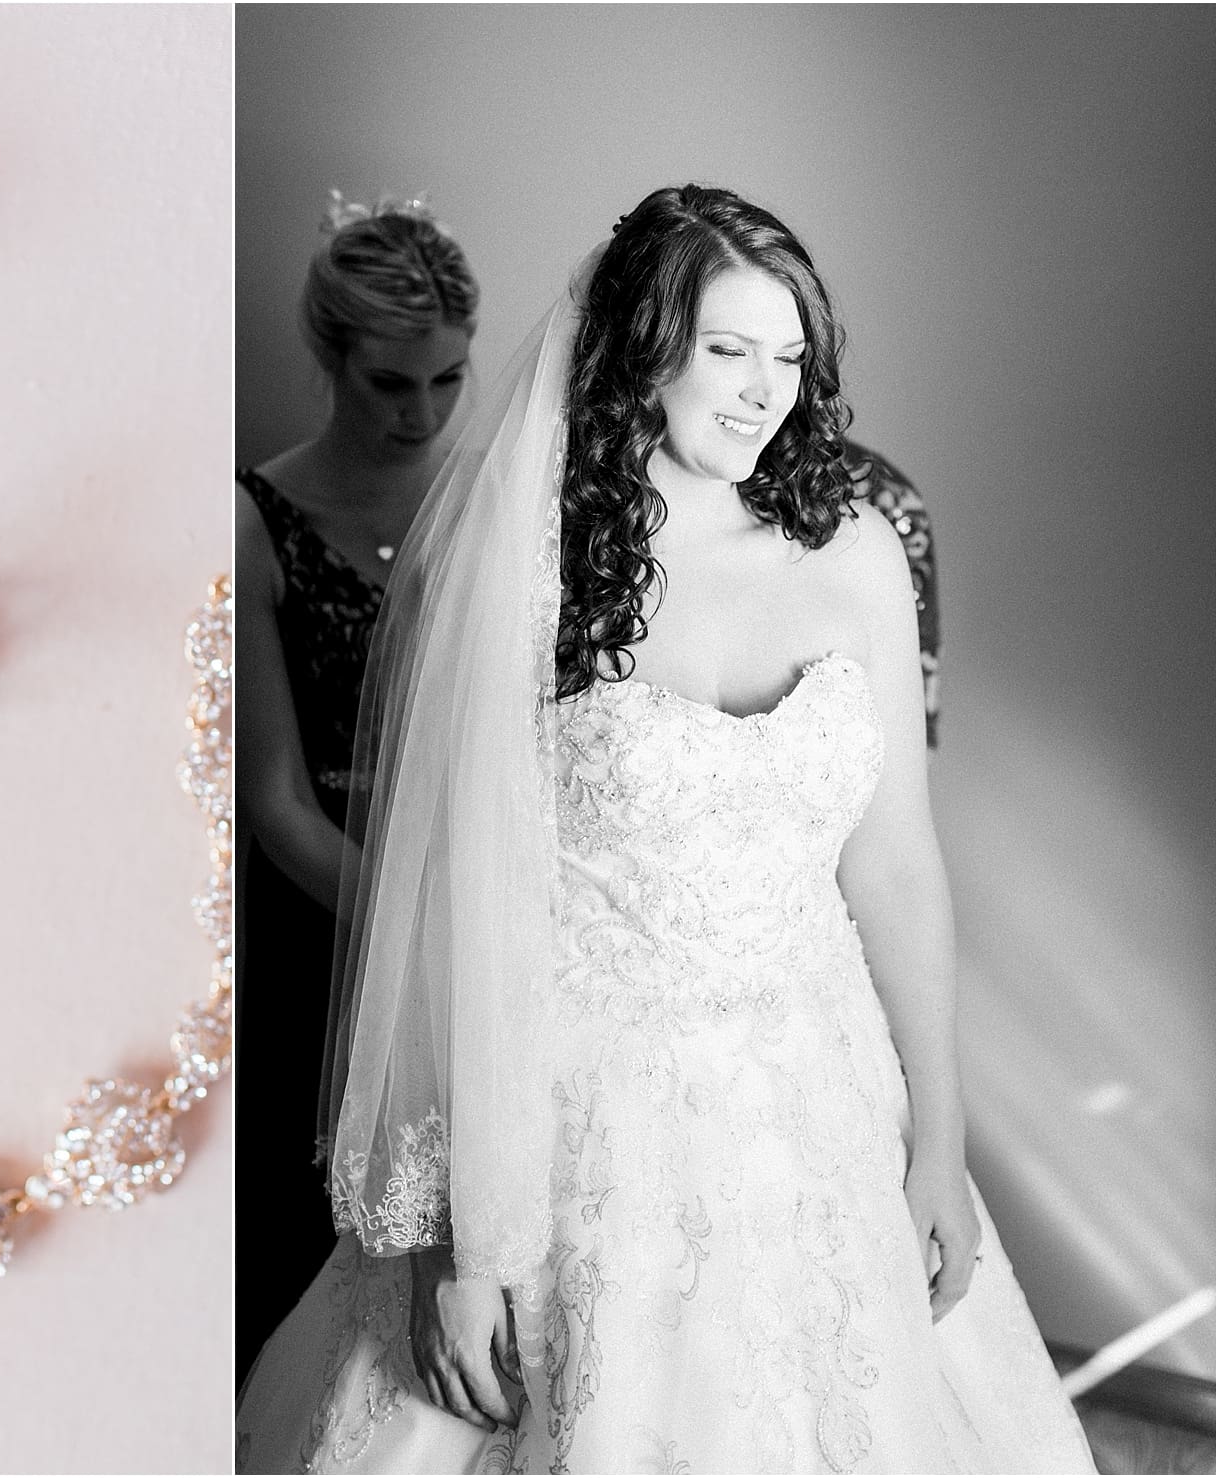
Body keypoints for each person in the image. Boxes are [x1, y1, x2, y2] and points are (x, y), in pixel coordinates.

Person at [235, 185, 1093, 1473]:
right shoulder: (503, 557)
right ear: (640, 349)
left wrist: (939, 1139)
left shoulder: (857, 549)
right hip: (575, 1119)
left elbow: (897, 862)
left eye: (790, 357)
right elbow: (443, 914)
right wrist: (452, 1238)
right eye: (728, 352)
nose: (764, 394)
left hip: (822, 1105)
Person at [234, 197, 477, 1381]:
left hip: (463, 892)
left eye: (448, 380)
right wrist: (404, 927)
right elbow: (271, 798)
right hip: (313, 910)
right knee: (300, 1218)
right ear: (331, 358)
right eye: (393, 383)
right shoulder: (250, 520)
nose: (421, 414)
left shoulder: (482, 506)